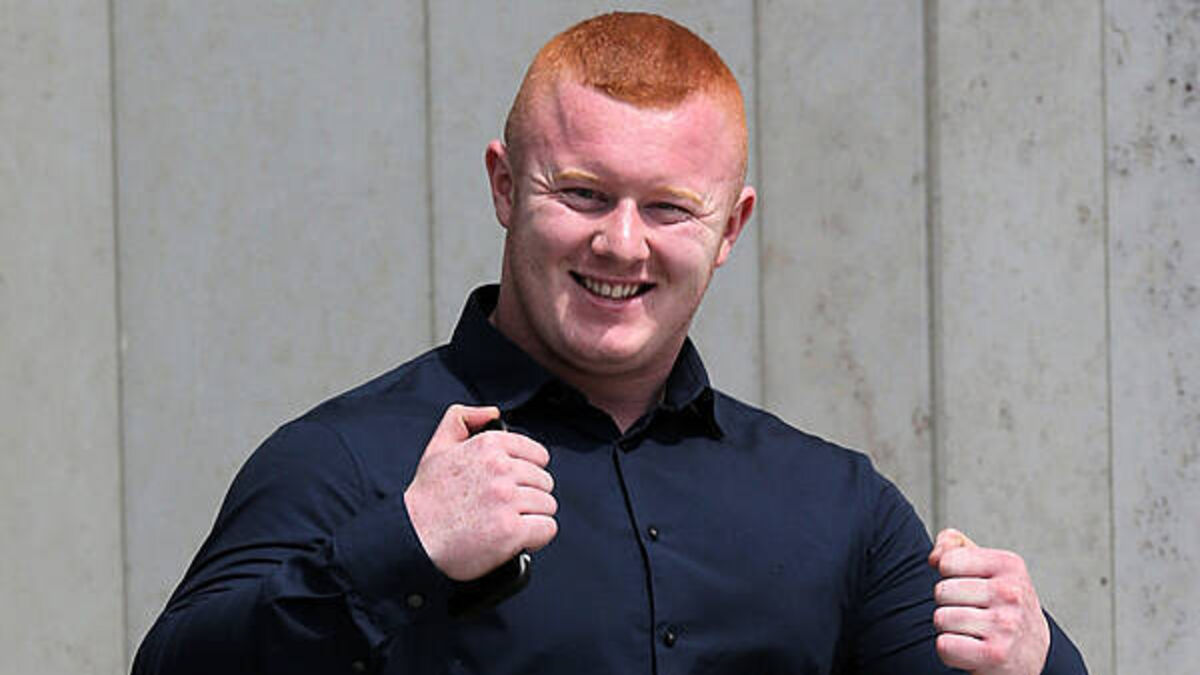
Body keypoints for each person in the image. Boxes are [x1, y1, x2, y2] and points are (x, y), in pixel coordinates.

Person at [134, 12, 1088, 675]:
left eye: (669, 207)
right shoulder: (348, 465)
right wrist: (403, 549)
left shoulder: (836, 507)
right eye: (584, 193)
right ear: (505, 187)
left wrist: (1036, 658)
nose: (622, 243)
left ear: (731, 227)